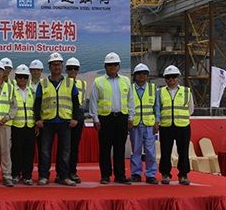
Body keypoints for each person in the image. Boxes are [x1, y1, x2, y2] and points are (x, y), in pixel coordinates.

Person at [34, 52, 79, 186]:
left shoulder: (70, 83)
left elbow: (75, 102)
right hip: (47, 122)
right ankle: (43, 176)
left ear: (62, 66)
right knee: (45, 151)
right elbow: (37, 103)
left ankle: (63, 176)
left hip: (65, 122)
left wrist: (75, 118)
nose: (56, 67)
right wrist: (38, 119)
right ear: (49, 66)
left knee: (65, 151)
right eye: (54, 65)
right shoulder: (43, 83)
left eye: (58, 64)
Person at [89, 52, 134, 184]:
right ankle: (105, 175)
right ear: (105, 66)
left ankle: (120, 175)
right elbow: (93, 102)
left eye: (115, 64)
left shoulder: (126, 81)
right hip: (105, 119)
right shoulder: (98, 82)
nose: (112, 67)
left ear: (119, 66)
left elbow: (130, 100)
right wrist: (95, 119)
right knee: (105, 148)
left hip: (121, 118)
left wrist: (131, 117)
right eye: (110, 65)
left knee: (120, 148)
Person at [157, 65, 193, 185]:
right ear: (165, 79)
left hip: (183, 126)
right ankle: (165, 174)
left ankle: (183, 175)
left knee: (183, 151)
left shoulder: (186, 91)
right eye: (168, 77)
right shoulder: (160, 92)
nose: (171, 79)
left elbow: (191, 109)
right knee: (165, 151)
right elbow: (158, 108)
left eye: (173, 76)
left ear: (178, 78)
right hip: (166, 126)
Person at [130, 63, 159, 184]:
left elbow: (156, 107)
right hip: (135, 125)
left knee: (150, 151)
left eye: (144, 73)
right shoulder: (130, 89)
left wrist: (157, 122)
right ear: (135, 75)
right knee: (135, 151)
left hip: (149, 125)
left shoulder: (153, 89)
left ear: (147, 76)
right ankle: (136, 174)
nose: (142, 75)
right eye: (139, 73)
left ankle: (150, 174)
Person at [11, 64, 36, 185]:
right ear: (16, 77)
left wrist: (35, 123)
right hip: (16, 126)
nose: (22, 79)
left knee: (29, 152)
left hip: (30, 126)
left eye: (25, 77)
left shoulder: (31, 91)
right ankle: (15, 174)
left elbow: (35, 108)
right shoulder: (12, 91)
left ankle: (27, 175)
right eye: (20, 77)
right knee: (16, 151)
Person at [65, 57, 88, 183]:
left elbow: (83, 102)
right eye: (70, 68)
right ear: (66, 70)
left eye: (75, 68)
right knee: (64, 147)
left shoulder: (83, 84)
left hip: (78, 116)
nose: (73, 71)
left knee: (74, 147)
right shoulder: (62, 83)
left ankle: (72, 172)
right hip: (65, 116)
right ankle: (62, 173)